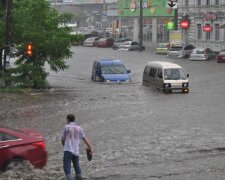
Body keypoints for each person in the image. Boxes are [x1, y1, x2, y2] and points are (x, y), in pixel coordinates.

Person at [61, 114, 93, 180]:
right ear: (74, 119)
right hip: (76, 151)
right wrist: (91, 147)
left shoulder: (66, 127)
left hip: (68, 150)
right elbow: (84, 138)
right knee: (77, 167)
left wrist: (64, 146)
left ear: (68, 119)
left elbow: (63, 139)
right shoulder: (79, 128)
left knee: (67, 169)